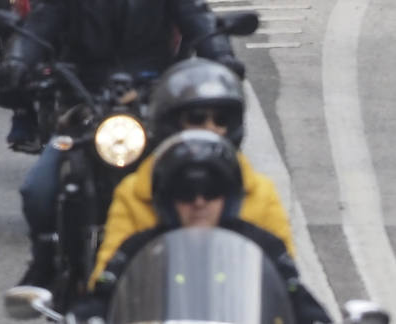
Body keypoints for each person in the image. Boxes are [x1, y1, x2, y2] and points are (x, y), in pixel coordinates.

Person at [0, 0, 242, 291]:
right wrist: (15, 63)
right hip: (83, 102)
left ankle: (218, 269)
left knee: (209, 176)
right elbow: (38, 28)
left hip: (158, 103)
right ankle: (48, 262)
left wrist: (224, 62)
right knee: (39, 188)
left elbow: (200, 23)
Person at [73, 131, 329, 324]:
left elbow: (298, 298)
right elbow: (100, 299)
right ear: (167, 199)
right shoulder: (136, 248)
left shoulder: (265, 247)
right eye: (186, 192)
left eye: (211, 191)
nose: (199, 202)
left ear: (229, 197)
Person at [90, 58, 294, 284]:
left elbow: (286, 283)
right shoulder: (134, 193)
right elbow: (107, 283)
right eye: (197, 118)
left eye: (221, 120)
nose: (210, 128)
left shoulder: (261, 192)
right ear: (171, 123)